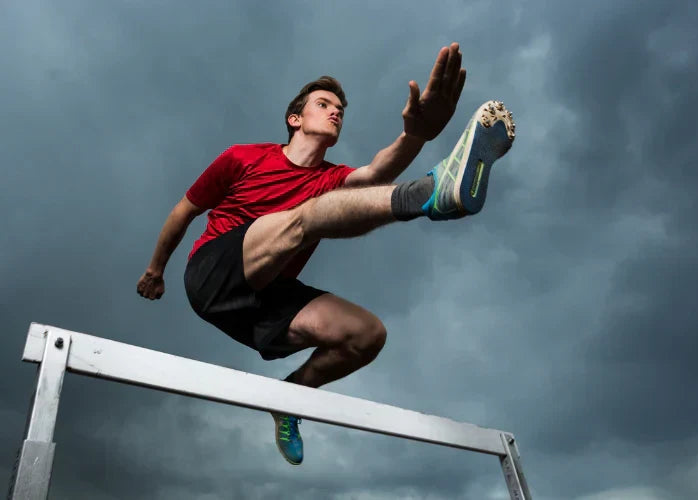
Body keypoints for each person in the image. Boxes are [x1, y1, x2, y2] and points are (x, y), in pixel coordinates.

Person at [136, 43, 514, 465]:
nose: (336, 112)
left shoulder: (332, 177)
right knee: (304, 218)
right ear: (295, 119)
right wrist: (156, 270)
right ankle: (429, 194)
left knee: (367, 335)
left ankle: (290, 399)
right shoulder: (243, 158)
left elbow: (377, 173)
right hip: (213, 273)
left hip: (264, 298)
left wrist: (417, 134)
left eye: (341, 110)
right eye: (324, 104)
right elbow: (184, 211)